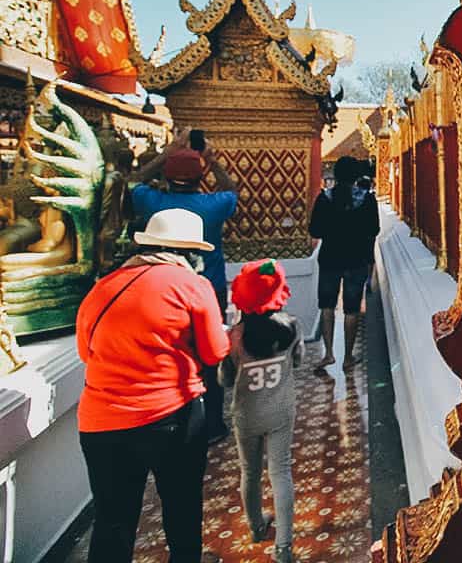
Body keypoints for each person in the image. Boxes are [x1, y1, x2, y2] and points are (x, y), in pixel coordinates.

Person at [76, 208, 229, 563]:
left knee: (113, 520)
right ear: (189, 253)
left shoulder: (103, 288)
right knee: (182, 505)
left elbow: (87, 352)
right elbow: (214, 352)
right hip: (171, 416)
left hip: (101, 422)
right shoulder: (192, 285)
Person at [130, 128, 238, 444]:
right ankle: (213, 423)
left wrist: (166, 154)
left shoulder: (152, 202)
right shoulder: (213, 205)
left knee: (170, 355)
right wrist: (214, 161)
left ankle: (176, 420)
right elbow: (232, 191)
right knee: (211, 356)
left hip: (161, 292)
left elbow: (132, 181)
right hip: (208, 289)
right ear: (199, 176)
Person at [219, 259, 302, 563]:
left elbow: (225, 379)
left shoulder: (235, 336)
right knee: (280, 472)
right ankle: (284, 547)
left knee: (250, 472)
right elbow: (299, 362)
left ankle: (256, 526)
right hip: (280, 412)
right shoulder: (291, 327)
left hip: (246, 415)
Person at [308, 155, 379, 370]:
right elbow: (373, 230)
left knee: (327, 305)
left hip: (330, 258)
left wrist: (333, 230)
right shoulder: (366, 199)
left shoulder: (325, 198)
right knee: (351, 308)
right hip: (356, 259)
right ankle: (348, 356)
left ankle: (329, 353)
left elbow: (315, 230)